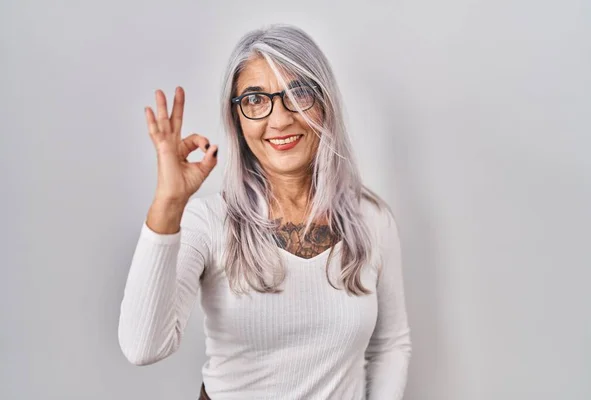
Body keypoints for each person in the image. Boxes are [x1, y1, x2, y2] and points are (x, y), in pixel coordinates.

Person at [118, 24, 411, 400]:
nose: (280, 119)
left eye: (298, 93)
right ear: (237, 118)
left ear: (326, 103)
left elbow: (389, 345)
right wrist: (168, 204)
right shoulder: (207, 222)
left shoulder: (369, 219)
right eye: (256, 99)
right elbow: (143, 348)